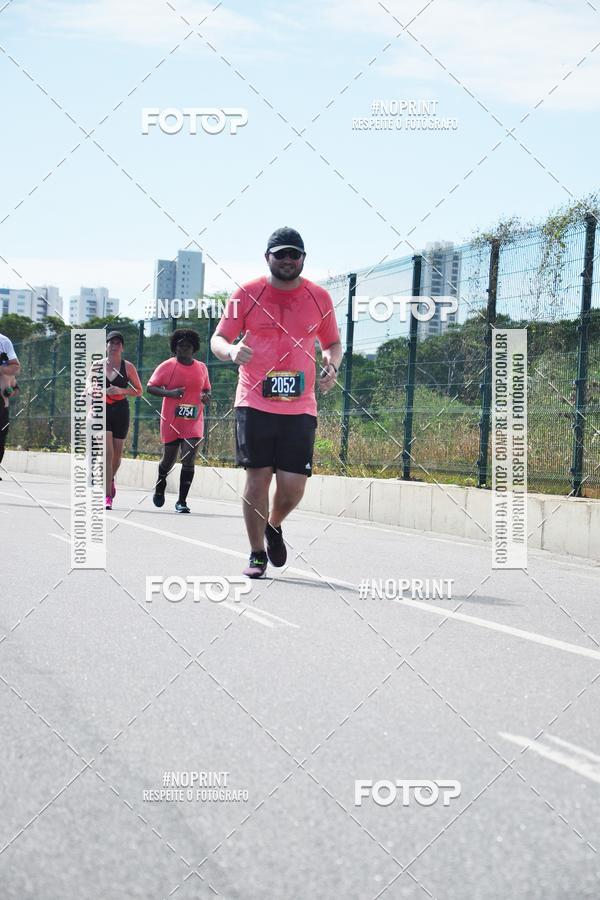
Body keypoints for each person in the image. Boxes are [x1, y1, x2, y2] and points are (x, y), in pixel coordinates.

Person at [211, 227, 343, 578]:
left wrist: (332, 366)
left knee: (292, 486)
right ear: (267, 257)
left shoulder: (319, 297)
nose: (287, 260)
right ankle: (256, 553)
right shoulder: (247, 293)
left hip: (300, 406)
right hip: (254, 400)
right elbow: (218, 338)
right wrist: (231, 350)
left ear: (303, 258)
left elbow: (332, 344)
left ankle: (274, 523)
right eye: (280, 254)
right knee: (257, 479)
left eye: (294, 254)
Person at [147, 328, 211, 513]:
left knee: (189, 458)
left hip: (194, 418)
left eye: (188, 346)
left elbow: (206, 389)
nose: (183, 349)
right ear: (175, 348)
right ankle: (161, 484)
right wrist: (170, 393)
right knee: (169, 459)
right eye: (180, 346)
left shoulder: (201, 367)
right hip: (172, 419)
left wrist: (206, 397)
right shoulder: (168, 365)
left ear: (194, 348)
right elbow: (151, 387)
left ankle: (182, 501)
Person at [104, 331, 143, 510]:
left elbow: (139, 390)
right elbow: (88, 383)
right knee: (108, 453)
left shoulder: (128, 367)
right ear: (106, 346)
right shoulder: (98, 366)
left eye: (118, 343)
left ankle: (110, 479)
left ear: (122, 347)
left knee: (117, 456)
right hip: (102, 410)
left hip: (121, 411)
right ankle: (106, 496)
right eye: (111, 343)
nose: (114, 346)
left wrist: (122, 391)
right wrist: (90, 389)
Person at [0, 332, 21, 480]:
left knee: (1, 438)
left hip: (3, 405)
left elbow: (15, 389)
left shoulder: (8, 373)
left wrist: (7, 392)